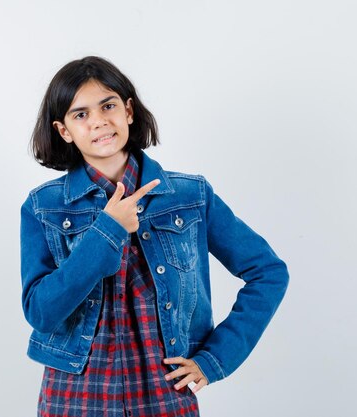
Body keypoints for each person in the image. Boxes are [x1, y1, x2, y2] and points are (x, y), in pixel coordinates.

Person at [19, 56, 289, 417]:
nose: (98, 120)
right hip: (76, 396)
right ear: (64, 130)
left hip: (165, 391)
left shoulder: (190, 195)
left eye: (108, 105)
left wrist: (215, 358)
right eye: (80, 114)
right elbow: (41, 312)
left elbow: (268, 272)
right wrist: (108, 230)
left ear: (128, 110)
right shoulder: (43, 207)